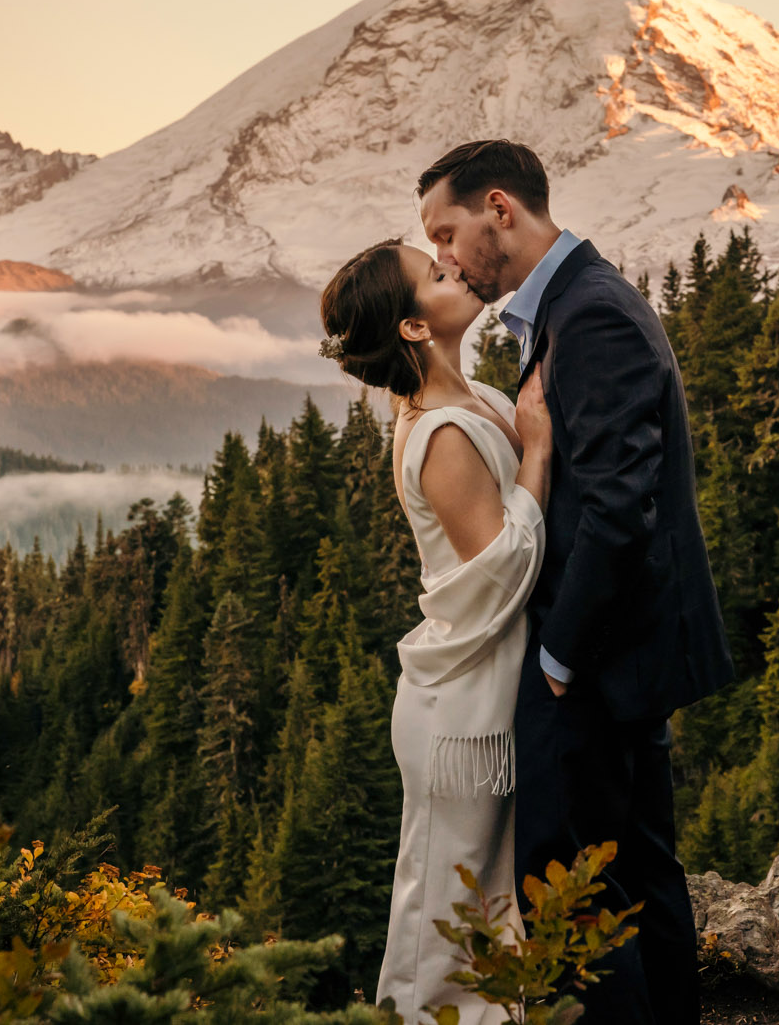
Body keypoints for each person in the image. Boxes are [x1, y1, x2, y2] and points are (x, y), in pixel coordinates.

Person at [417, 139, 737, 1025]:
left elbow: (618, 507)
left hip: (596, 659)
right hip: (620, 652)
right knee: (637, 871)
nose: (445, 256)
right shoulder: (578, 299)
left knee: (572, 891)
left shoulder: (587, 313)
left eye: (447, 233)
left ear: (499, 210)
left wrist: (557, 659)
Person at [318, 238, 553, 1025]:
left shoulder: (473, 398)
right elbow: (501, 570)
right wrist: (540, 455)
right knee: (445, 911)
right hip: (460, 716)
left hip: (480, 696)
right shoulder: (441, 433)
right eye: (434, 273)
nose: (453, 269)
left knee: (485, 896)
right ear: (415, 328)